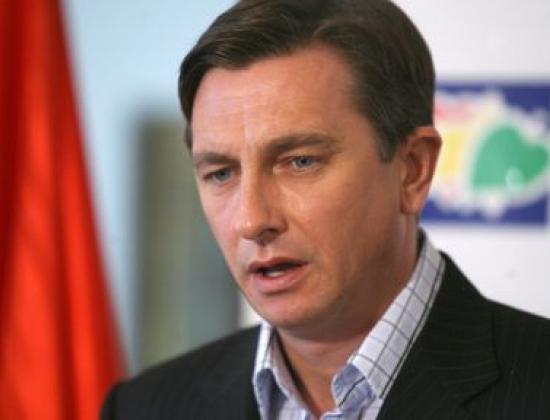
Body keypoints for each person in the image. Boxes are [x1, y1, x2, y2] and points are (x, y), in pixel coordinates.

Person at [101, 1, 550, 419]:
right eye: (221, 173)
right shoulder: (144, 408)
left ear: (412, 170)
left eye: (299, 162)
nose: (251, 220)